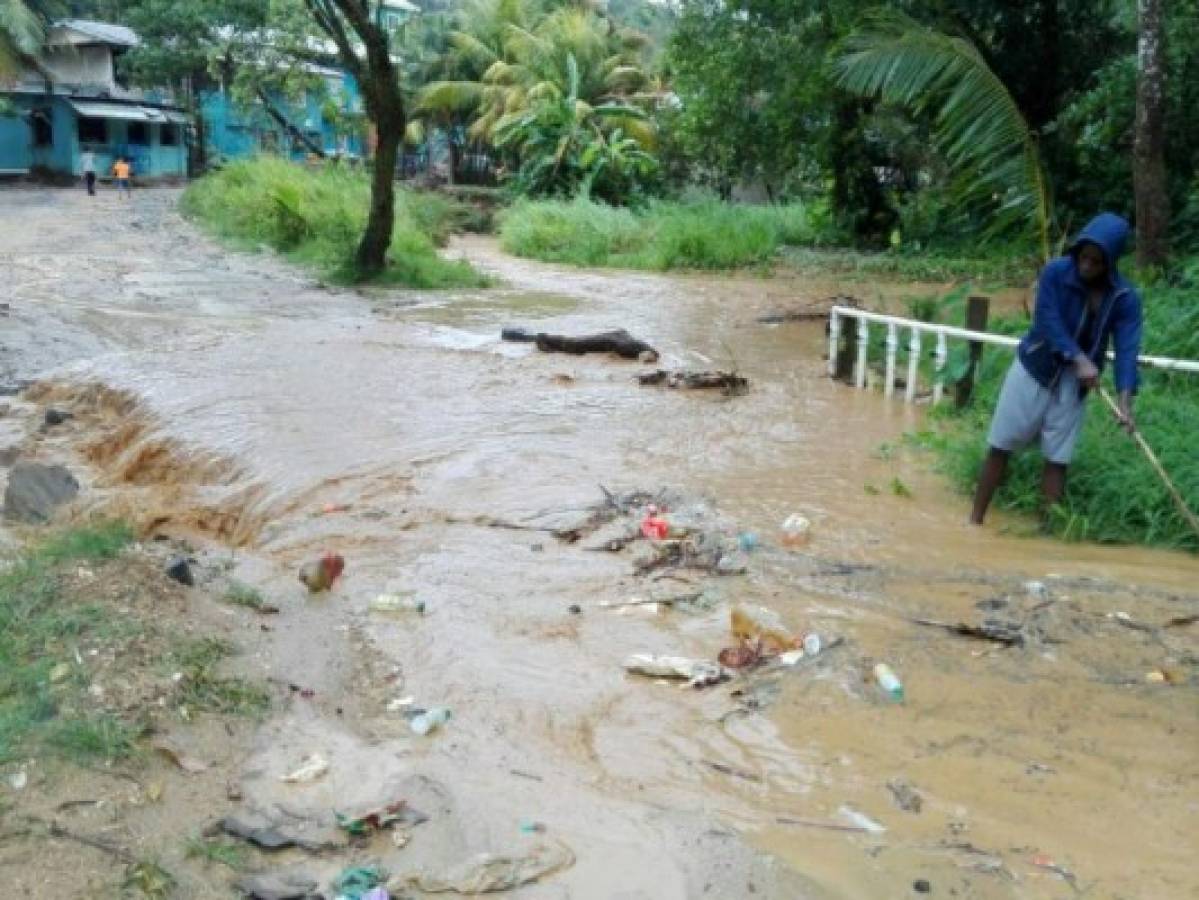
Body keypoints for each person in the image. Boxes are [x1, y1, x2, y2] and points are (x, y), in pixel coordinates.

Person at [970, 212, 1143, 525]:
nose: (1086, 266)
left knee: (1057, 459)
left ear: (1111, 263)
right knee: (1000, 446)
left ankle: (1045, 535)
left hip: (1074, 386)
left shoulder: (1124, 298)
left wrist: (1125, 401)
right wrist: (1079, 358)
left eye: (1096, 261)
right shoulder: (1055, 273)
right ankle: (974, 521)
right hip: (1034, 367)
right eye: (1084, 257)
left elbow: (1128, 349)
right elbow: (1047, 320)